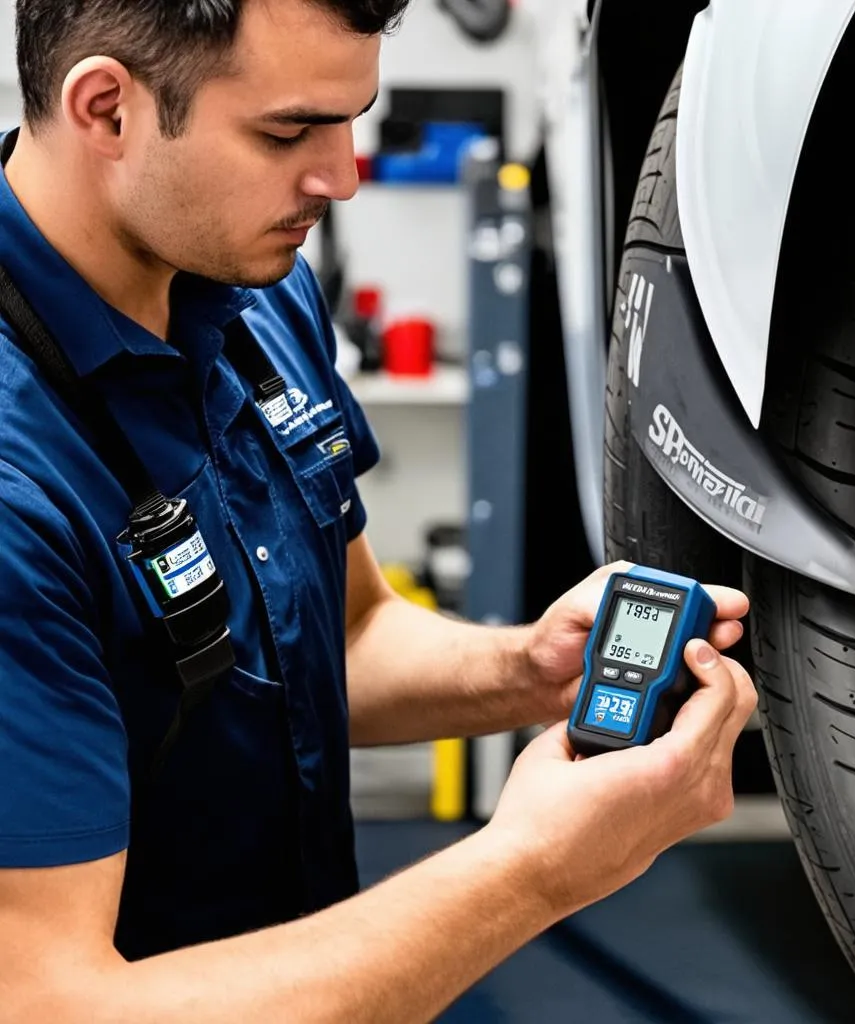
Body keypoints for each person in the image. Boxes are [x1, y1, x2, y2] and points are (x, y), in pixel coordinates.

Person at [0, 0, 757, 1020]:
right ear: (106, 109)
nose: (341, 176)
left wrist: (525, 666)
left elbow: (344, 634)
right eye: (288, 131)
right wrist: (532, 869)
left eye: (351, 119)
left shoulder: (256, 293)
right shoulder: (16, 484)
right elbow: (56, 1004)